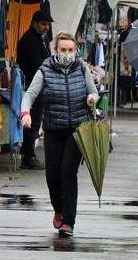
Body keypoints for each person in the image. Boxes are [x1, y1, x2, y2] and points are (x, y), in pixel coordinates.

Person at [20, 31, 99, 237]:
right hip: (53, 129)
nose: (67, 53)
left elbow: (94, 91)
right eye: (63, 49)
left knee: (68, 172)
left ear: (76, 50)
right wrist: (25, 113)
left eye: (70, 50)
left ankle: (69, 221)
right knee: (52, 175)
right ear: (55, 50)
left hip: (77, 130)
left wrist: (92, 98)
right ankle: (59, 209)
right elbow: (30, 94)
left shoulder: (82, 68)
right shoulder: (45, 69)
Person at [17, 9, 54, 170]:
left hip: (37, 87)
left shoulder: (39, 39)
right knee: (32, 122)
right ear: (34, 24)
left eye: (48, 25)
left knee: (35, 121)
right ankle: (28, 156)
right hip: (33, 87)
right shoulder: (30, 40)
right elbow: (36, 65)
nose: (46, 28)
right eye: (44, 24)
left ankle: (28, 153)